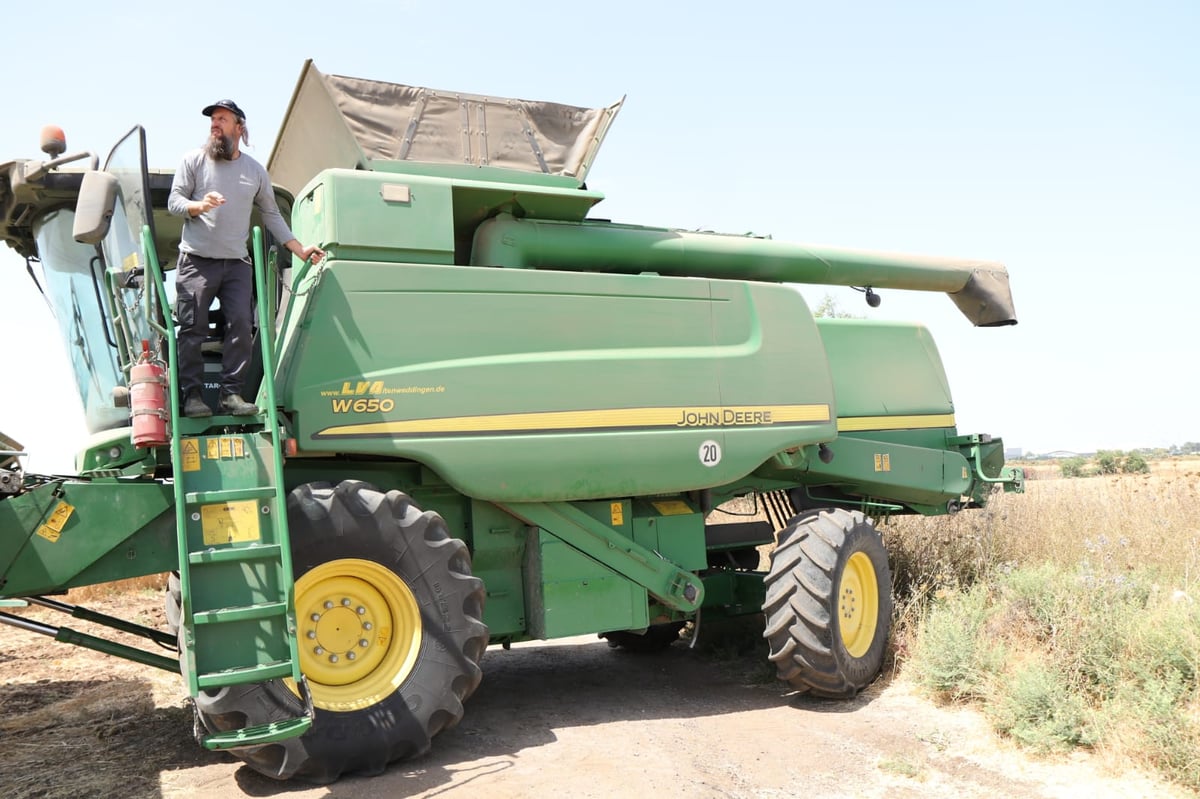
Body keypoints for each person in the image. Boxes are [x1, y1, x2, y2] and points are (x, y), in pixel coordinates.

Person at [167, 99, 324, 418]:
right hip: (196, 261)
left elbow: (271, 214)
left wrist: (299, 249)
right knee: (192, 328)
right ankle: (193, 396)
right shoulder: (193, 161)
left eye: (222, 119)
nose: (214, 124)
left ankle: (231, 395)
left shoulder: (254, 171)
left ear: (239, 127)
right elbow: (174, 202)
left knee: (241, 323)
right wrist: (198, 206)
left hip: (236, 263)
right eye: (212, 120)